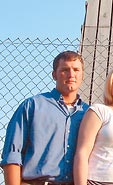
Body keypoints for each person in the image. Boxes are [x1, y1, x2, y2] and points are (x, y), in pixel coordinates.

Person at [0, 51, 89, 185]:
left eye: (76, 70)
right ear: (54, 74)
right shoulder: (32, 106)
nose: (71, 74)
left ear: (82, 74)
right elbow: (12, 154)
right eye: (65, 70)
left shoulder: (90, 114)